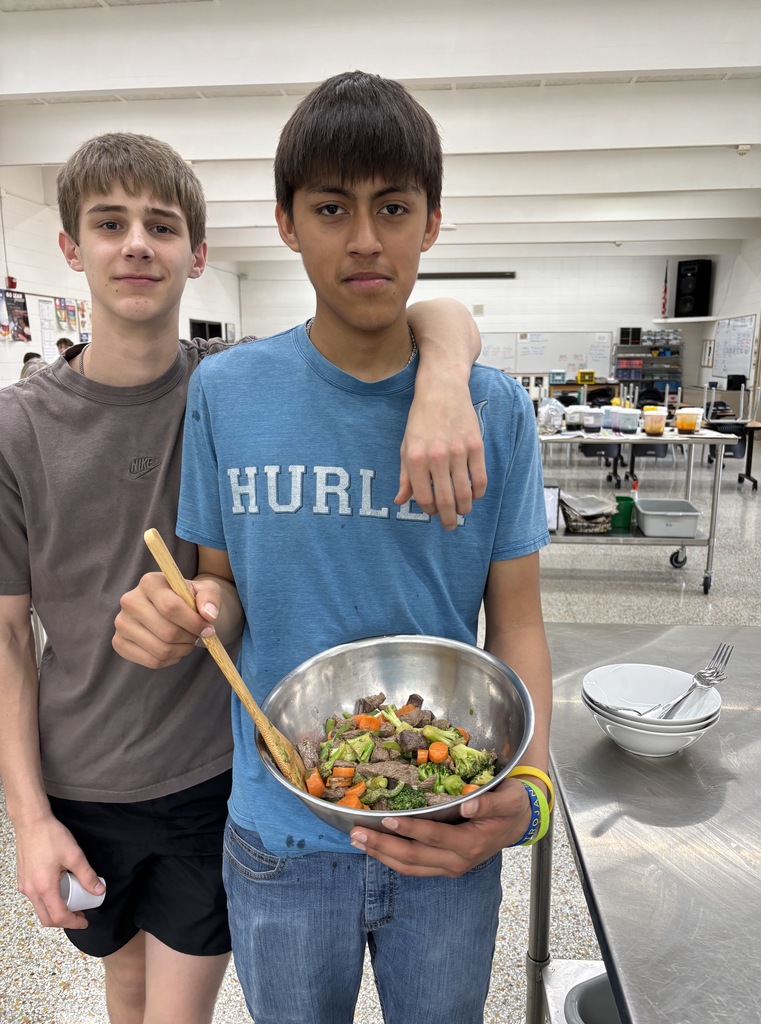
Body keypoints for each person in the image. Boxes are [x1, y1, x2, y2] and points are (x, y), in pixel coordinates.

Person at [0, 130, 485, 1024]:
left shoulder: (234, 387)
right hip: (81, 771)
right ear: (68, 247)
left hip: (211, 769)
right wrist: (29, 817)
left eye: (161, 225)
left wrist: (448, 376)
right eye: (109, 224)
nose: (137, 244)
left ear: (200, 254)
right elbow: (6, 641)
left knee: (179, 999)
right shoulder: (17, 429)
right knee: (124, 981)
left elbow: (413, 312)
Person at [115, 73, 552, 1024]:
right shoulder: (229, 393)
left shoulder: (495, 410)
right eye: (331, 207)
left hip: (447, 837)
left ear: (431, 222)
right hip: (279, 837)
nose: (364, 238)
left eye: (393, 207)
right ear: (286, 222)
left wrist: (531, 793)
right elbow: (222, 586)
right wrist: (189, 612)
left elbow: (517, 620)